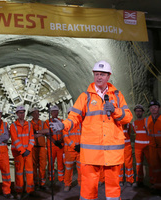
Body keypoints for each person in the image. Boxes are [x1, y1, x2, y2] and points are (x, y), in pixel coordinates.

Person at [50, 60, 132, 200]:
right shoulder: (85, 97)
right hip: (91, 153)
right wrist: (63, 125)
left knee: (113, 188)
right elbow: (74, 117)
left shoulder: (117, 96)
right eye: (97, 74)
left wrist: (115, 110)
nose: (99, 77)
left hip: (112, 152)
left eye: (102, 74)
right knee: (88, 189)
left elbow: (128, 118)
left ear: (108, 76)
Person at [10, 105, 35, 199]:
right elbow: (15, 140)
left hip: (27, 153)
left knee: (29, 172)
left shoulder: (29, 125)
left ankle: (30, 190)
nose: (22, 114)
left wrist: (28, 150)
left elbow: (32, 138)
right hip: (19, 153)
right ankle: (19, 191)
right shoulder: (13, 126)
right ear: (17, 114)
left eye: (23, 112)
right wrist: (23, 151)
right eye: (20, 112)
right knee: (19, 173)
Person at [39, 105, 64, 185]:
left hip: (60, 145)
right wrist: (54, 141)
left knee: (60, 163)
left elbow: (64, 132)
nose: (54, 113)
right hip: (51, 146)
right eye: (53, 112)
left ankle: (61, 178)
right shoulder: (47, 122)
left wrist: (60, 141)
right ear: (51, 113)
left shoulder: (62, 121)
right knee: (51, 163)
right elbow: (47, 134)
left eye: (56, 111)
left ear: (58, 112)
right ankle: (51, 178)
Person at [63, 107, 81, 192]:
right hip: (70, 151)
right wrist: (75, 146)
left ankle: (81, 183)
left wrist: (80, 146)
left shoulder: (79, 123)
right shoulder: (65, 124)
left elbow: (83, 134)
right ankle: (67, 184)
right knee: (68, 169)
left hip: (79, 150)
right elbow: (66, 138)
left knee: (81, 168)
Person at [132, 104, 150, 187]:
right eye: (136, 111)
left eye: (140, 111)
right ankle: (139, 181)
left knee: (151, 164)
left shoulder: (147, 121)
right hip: (138, 148)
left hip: (147, 147)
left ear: (143, 112)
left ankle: (153, 182)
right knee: (138, 164)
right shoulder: (134, 123)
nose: (138, 112)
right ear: (135, 112)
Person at [145, 100, 161, 193]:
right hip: (152, 148)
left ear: (159, 108)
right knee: (155, 168)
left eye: (155, 107)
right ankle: (157, 186)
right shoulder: (147, 120)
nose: (153, 109)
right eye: (151, 107)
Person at [29, 107, 47, 191]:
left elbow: (47, 131)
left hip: (42, 147)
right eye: (34, 113)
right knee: (33, 166)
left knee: (42, 165)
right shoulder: (29, 124)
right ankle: (35, 183)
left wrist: (37, 133)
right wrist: (41, 132)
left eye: (37, 113)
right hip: (33, 147)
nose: (36, 114)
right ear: (32, 114)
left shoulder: (43, 123)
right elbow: (29, 133)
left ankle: (42, 183)